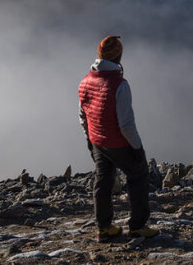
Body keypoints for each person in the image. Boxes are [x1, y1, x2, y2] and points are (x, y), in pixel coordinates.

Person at [78, 35, 158, 241]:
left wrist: (90, 138)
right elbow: (126, 125)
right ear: (119, 57)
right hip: (118, 143)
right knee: (138, 176)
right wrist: (137, 148)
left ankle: (103, 228)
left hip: (98, 140)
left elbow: (82, 115)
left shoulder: (86, 81)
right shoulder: (120, 85)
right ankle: (137, 226)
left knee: (103, 181)